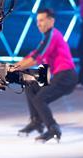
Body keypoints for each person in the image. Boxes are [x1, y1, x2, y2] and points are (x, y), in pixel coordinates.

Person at [11, 8, 78, 143]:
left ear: (51, 21)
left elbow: (36, 58)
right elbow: (32, 55)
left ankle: (53, 128)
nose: (38, 24)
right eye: (37, 21)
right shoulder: (47, 37)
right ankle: (36, 122)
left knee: (39, 99)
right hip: (59, 75)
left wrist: (13, 69)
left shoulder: (52, 35)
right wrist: (13, 67)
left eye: (41, 20)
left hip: (66, 76)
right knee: (30, 85)